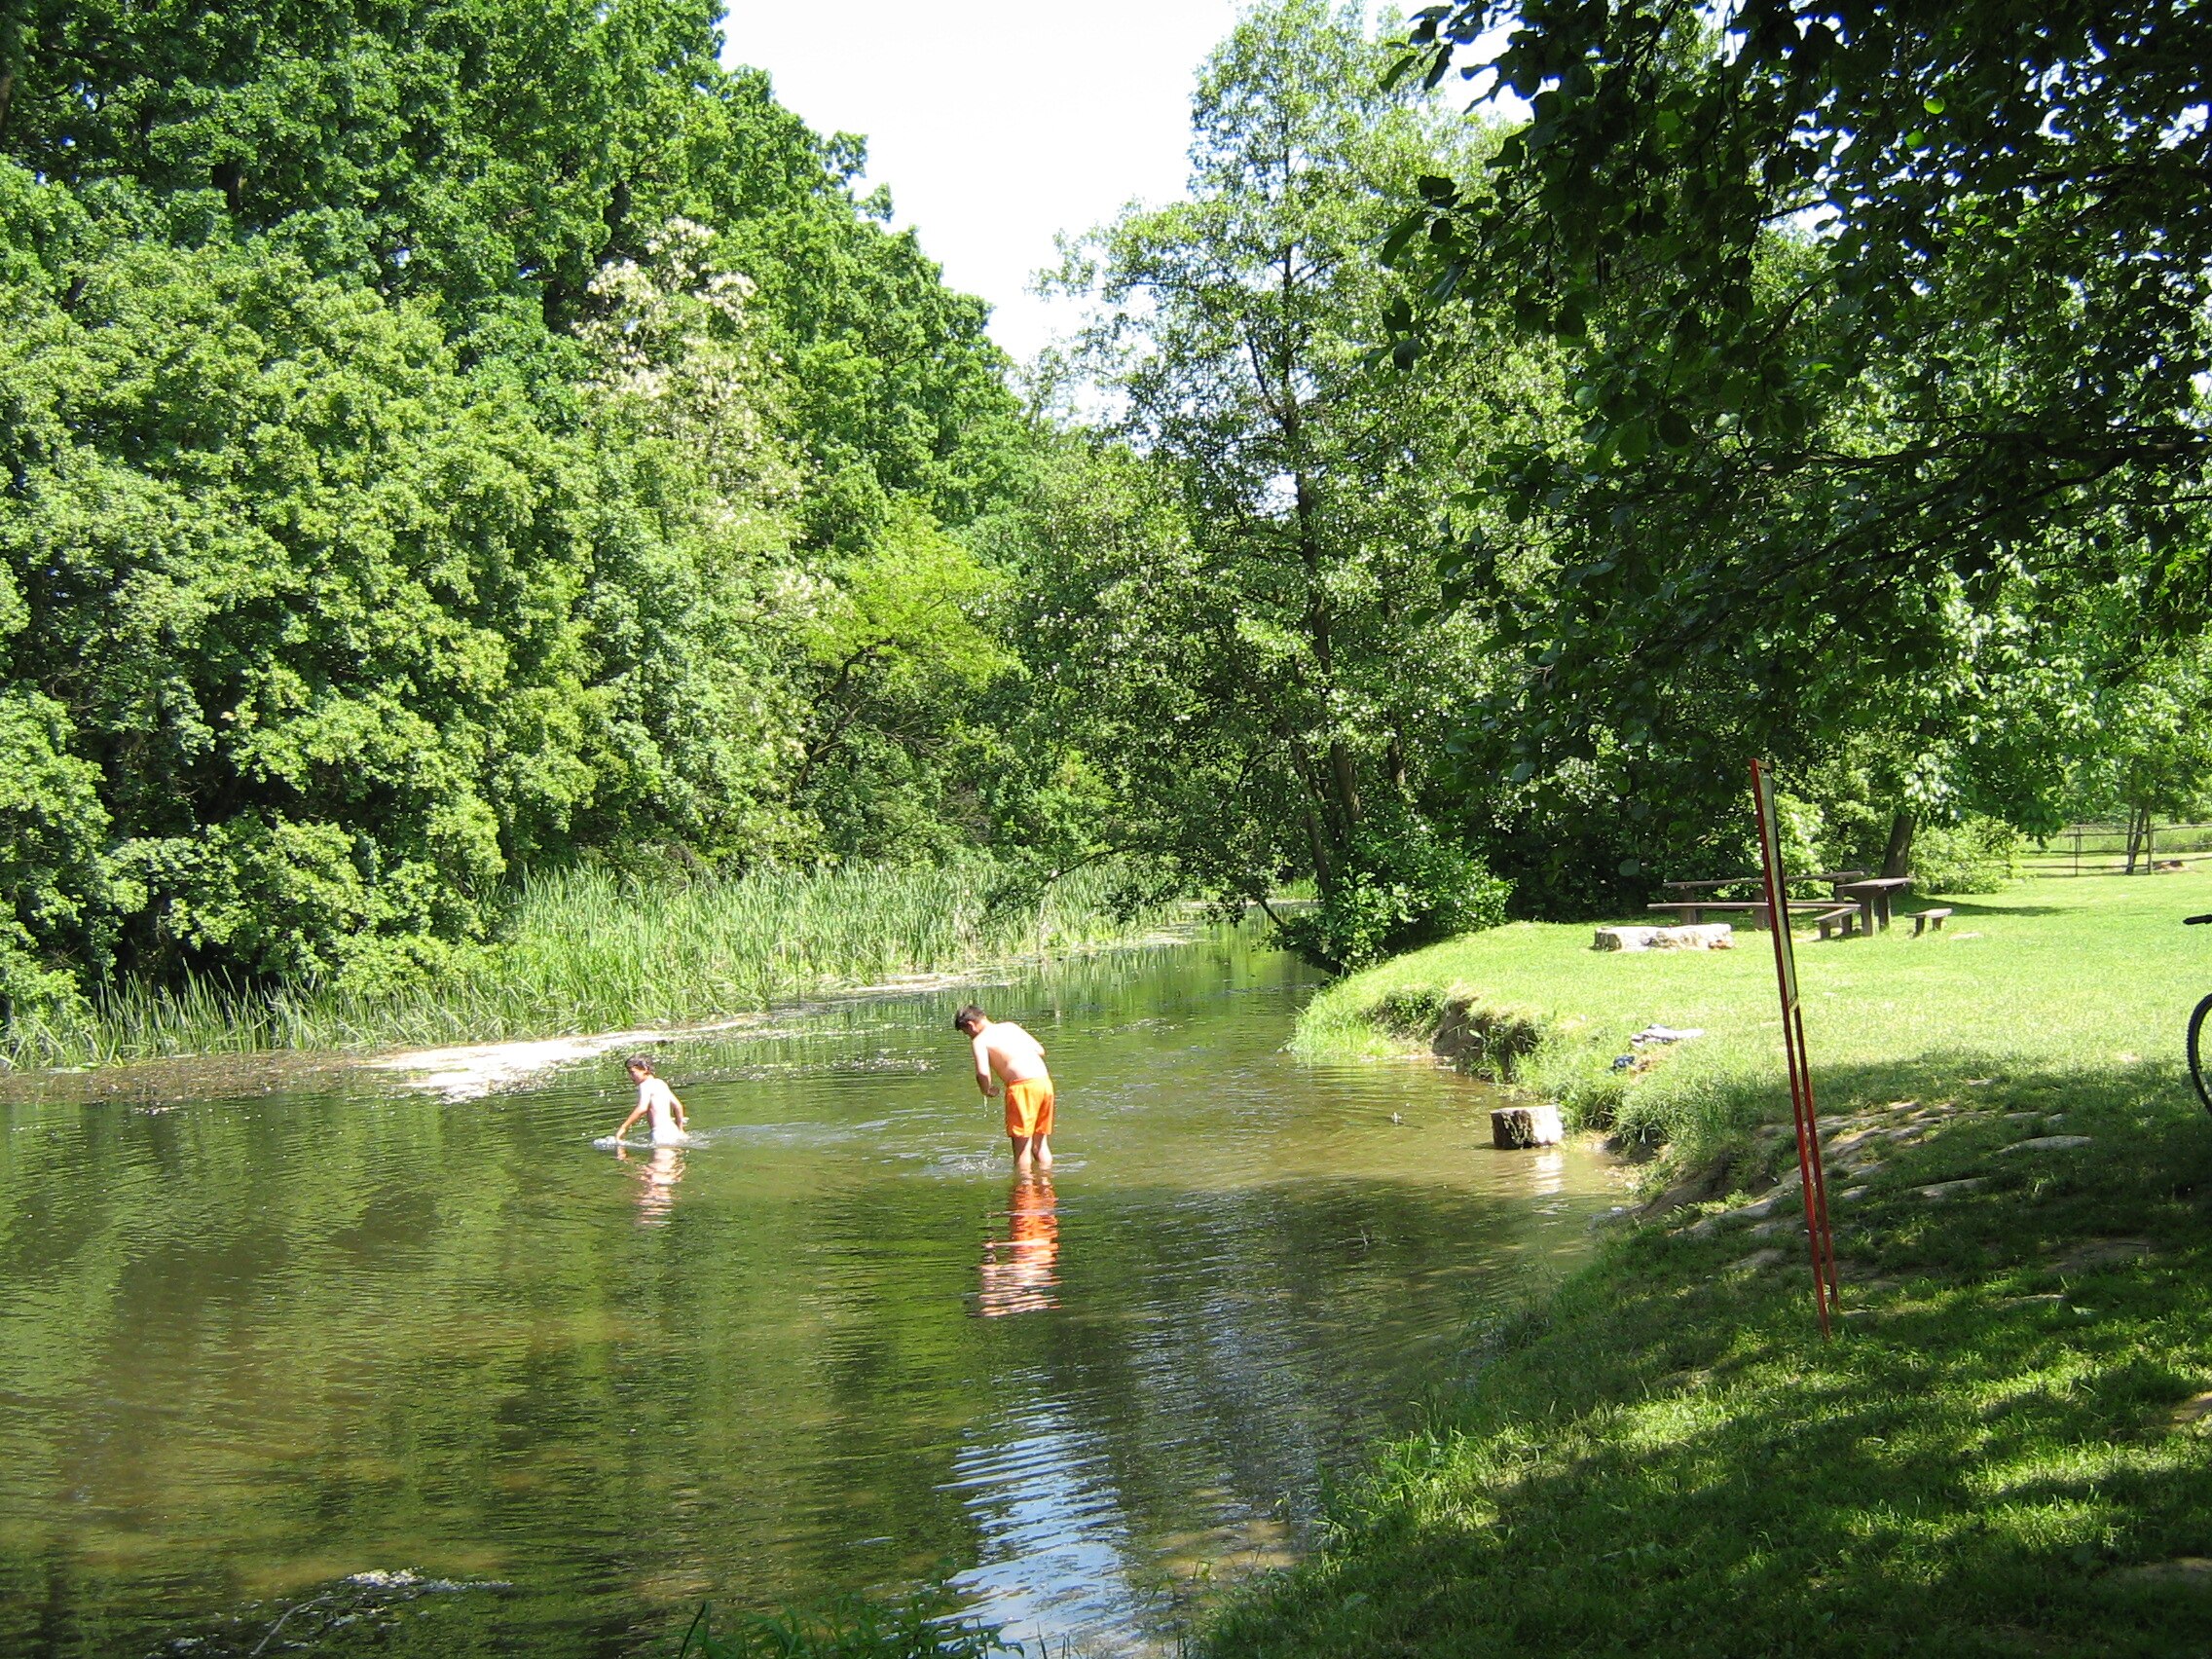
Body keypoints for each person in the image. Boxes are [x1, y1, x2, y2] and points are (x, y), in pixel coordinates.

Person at [954, 1003, 1053, 1171]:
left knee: (1022, 1151)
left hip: (1023, 1088)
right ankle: (1046, 1189)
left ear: (971, 1025)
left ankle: (1023, 1193)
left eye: (966, 1033)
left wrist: (987, 1089)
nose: (969, 1036)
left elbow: (982, 1074)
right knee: (1039, 1145)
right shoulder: (1010, 1027)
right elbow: (1040, 1050)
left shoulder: (980, 1040)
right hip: (1044, 1083)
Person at [612, 1053, 688, 1146]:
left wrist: (624, 1127)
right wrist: (680, 1129)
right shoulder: (660, 1083)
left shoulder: (645, 1085)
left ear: (645, 1069)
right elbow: (678, 1106)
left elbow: (642, 1108)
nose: (630, 1077)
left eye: (632, 1073)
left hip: (660, 1132)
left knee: (660, 1159)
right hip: (672, 1129)